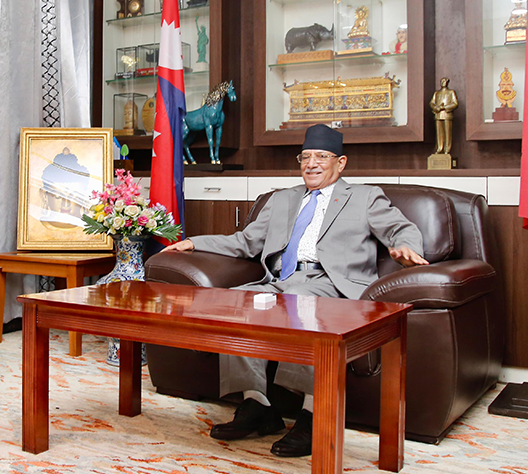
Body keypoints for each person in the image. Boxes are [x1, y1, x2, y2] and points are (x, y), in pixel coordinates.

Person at [162, 124, 427, 457]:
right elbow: (246, 241)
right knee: (236, 304)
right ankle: (257, 404)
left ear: (340, 163)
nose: (311, 164)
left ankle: (313, 415)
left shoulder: (364, 197)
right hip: (283, 280)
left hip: (332, 283)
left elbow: (400, 228)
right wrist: (193, 242)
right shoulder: (282, 199)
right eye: (305, 157)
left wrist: (405, 248)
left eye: (321, 157)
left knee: (302, 304)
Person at [430, 77, 459, 155]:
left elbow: (455, 103)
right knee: (439, 133)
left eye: (445, 81)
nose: (443, 82)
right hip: (438, 115)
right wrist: (436, 108)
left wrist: (445, 107)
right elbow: (432, 103)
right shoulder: (437, 93)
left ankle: (447, 149)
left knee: (447, 132)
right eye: (442, 81)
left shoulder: (451, 92)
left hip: (447, 115)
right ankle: (440, 148)